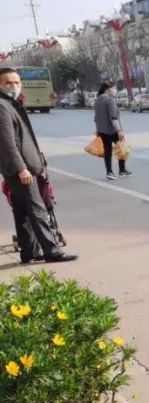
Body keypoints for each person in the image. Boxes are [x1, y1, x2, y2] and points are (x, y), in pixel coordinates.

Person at [0, 67, 76, 264]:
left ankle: (29, 251)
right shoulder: (2, 106)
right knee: (37, 209)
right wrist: (21, 168)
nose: (14, 86)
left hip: (23, 167)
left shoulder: (11, 104)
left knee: (22, 211)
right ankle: (52, 250)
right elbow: (7, 143)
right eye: (8, 83)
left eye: (17, 82)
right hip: (21, 169)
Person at [94, 82, 129, 180]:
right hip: (112, 130)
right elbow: (113, 117)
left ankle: (109, 172)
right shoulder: (110, 100)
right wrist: (119, 130)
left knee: (107, 151)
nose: (115, 90)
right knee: (122, 148)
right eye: (114, 88)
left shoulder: (97, 101)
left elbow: (96, 118)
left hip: (102, 130)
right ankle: (122, 170)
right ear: (107, 89)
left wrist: (97, 130)